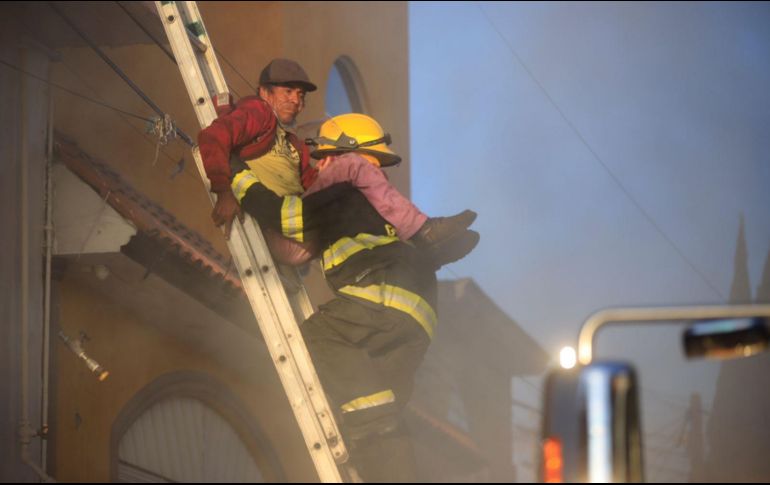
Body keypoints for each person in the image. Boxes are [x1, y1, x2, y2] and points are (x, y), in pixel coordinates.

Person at [242, 112, 479, 481]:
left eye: (323, 158)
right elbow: (298, 253)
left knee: (316, 338)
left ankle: (372, 431)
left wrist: (240, 182)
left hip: (381, 294)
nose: (320, 165)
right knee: (380, 426)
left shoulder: (340, 191)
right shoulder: (376, 207)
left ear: (339, 155)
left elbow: (289, 218)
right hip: (419, 318)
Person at [198, 58, 477, 267]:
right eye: (288, 91)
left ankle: (423, 251)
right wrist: (223, 191)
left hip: (300, 234)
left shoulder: (293, 144)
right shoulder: (257, 112)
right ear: (265, 92)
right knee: (354, 165)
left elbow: (309, 185)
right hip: (280, 229)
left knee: (356, 197)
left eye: (301, 96)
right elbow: (212, 137)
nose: (296, 101)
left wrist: (324, 173)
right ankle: (424, 232)